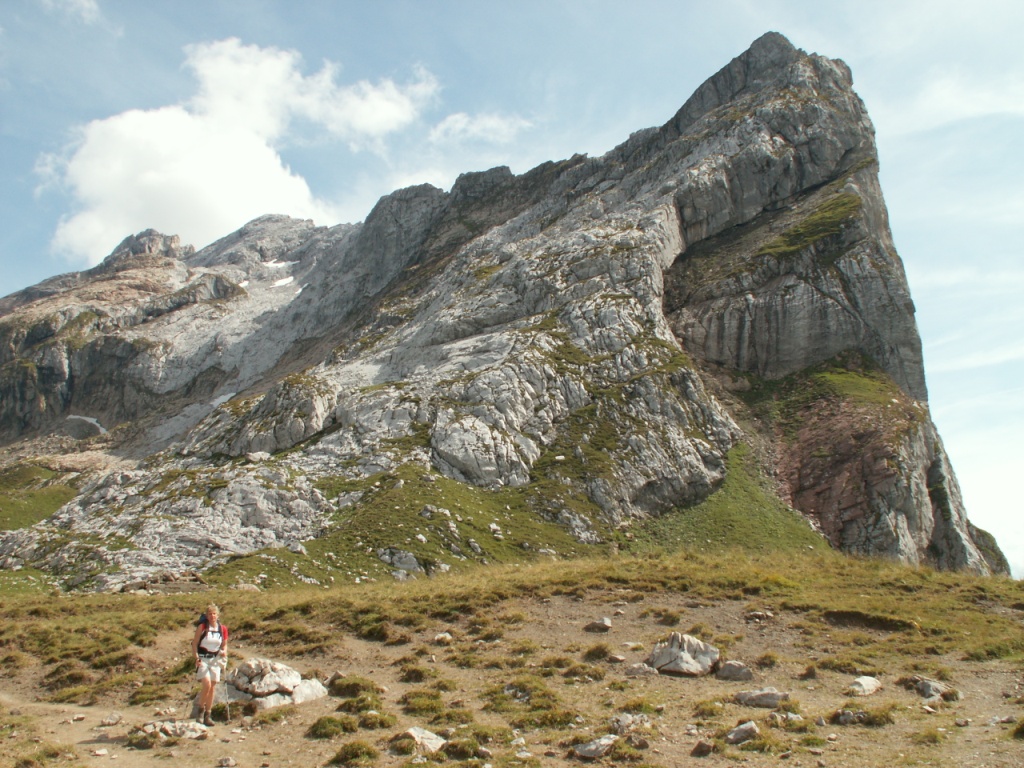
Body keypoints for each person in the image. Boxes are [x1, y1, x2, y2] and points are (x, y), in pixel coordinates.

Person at [191, 603, 228, 726]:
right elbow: (195, 643)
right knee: (207, 684)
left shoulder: (222, 629)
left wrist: (224, 652)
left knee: (212, 687)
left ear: (218, 615)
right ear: (206, 616)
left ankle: (208, 715)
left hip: (215, 660)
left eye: (214, 614)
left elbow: (224, 644)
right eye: (210, 614)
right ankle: (200, 712)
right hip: (203, 659)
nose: (212, 616)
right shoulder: (202, 627)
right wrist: (196, 657)